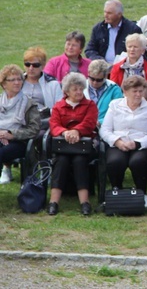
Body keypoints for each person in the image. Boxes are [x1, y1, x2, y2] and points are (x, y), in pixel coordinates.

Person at [100, 76, 147, 199]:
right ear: (125, 92)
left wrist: (137, 143)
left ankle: (141, 194)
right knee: (115, 161)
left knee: (137, 162)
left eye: (141, 91)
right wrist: (117, 142)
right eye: (134, 91)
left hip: (142, 145)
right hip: (118, 143)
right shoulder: (115, 105)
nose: (138, 95)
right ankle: (117, 192)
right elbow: (105, 130)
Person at [47, 73, 98, 216]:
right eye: (75, 89)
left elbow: (90, 123)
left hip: (83, 146)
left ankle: (85, 202)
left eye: (81, 89)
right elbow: (54, 124)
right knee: (61, 161)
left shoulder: (90, 105)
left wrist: (77, 131)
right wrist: (65, 132)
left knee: (79, 161)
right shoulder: (59, 106)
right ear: (67, 91)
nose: (79, 92)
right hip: (63, 146)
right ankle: (54, 202)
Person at [0, 64, 41, 185]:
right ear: (4, 84)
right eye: (12, 80)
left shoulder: (29, 103)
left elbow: (34, 129)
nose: (17, 82)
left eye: (19, 79)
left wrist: (12, 134)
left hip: (19, 142)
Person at [22, 47, 62, 117]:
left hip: (43, 120)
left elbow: (60, 108)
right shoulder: (16, 81)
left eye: (35, 65)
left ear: (43, 66)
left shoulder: (53, 84)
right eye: (27, 64)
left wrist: (48, 112)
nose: (31, 68)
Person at [84, 59, 123, 124]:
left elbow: (118, 112)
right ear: (88, 73)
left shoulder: (114, 89)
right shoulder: (80, 87)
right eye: (92, 79)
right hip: (82, 126)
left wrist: (100, 122)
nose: (95, 82)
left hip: (106, 126)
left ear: (105, 76)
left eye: (99, 80)